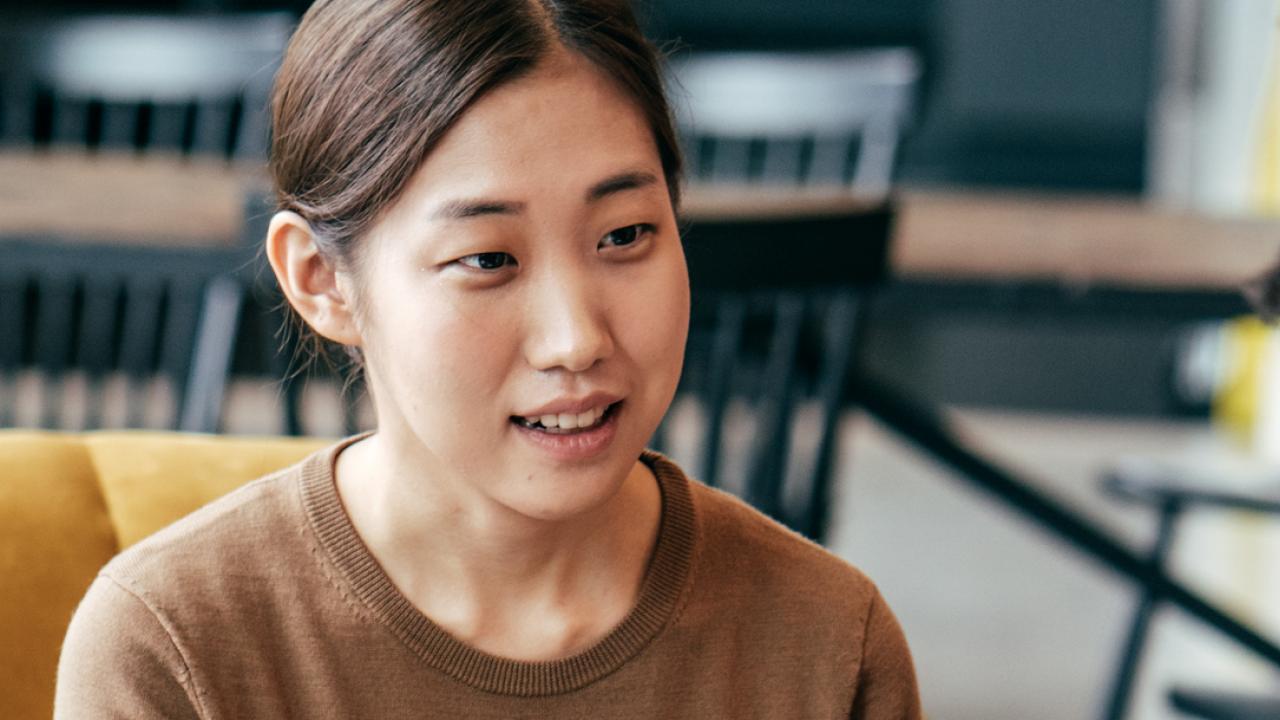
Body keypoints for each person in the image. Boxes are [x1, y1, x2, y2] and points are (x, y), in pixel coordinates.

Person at [55, 0, 922, 717]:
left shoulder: (828, 645)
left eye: (625, 236)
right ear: (322, 282)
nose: (576, 338)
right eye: (487, 259)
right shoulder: (174, 647)